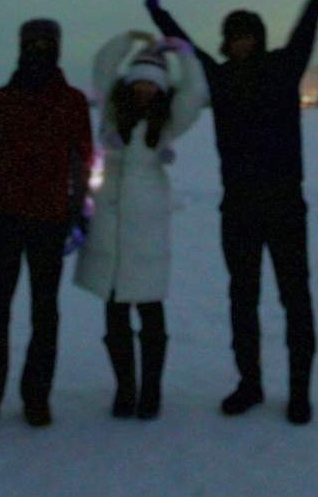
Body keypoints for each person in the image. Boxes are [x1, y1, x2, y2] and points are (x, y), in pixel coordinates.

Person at [144, 0, 318, 424]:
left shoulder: (284, 67)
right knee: (242, 298)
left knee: (296, 298)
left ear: (259, 37)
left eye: (247, 35)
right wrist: (157, 14)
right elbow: (186, 46)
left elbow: (308, 25)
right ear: (227, 42)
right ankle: (249, 384)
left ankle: (299, 393)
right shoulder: (220, 77)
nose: (241, 43)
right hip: (239, 209)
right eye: (234, 37)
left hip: (286, 205)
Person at [72, 30, 208, 420]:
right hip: (109, 219)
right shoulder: (111, 112)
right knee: (114, 309)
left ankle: (151, 390)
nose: (145, 87)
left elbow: (195, 93)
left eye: (152, 81)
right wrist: (128, 40)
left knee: (149, 309)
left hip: (147, 222)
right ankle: (124, 388)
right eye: (139, 80)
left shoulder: (168, 121)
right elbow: (102, 66)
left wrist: (184, 54)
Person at [0, 17, 94, 430]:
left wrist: (79, 214)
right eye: (31, 43)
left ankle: (36, 398)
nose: (38, 49)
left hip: (50, 219)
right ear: (20, 46)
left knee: (44, 312)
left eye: (46, 43)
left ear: (57, 47)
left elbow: (83, 159)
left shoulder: (72, 101)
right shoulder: (2, 99)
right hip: (2, 215)